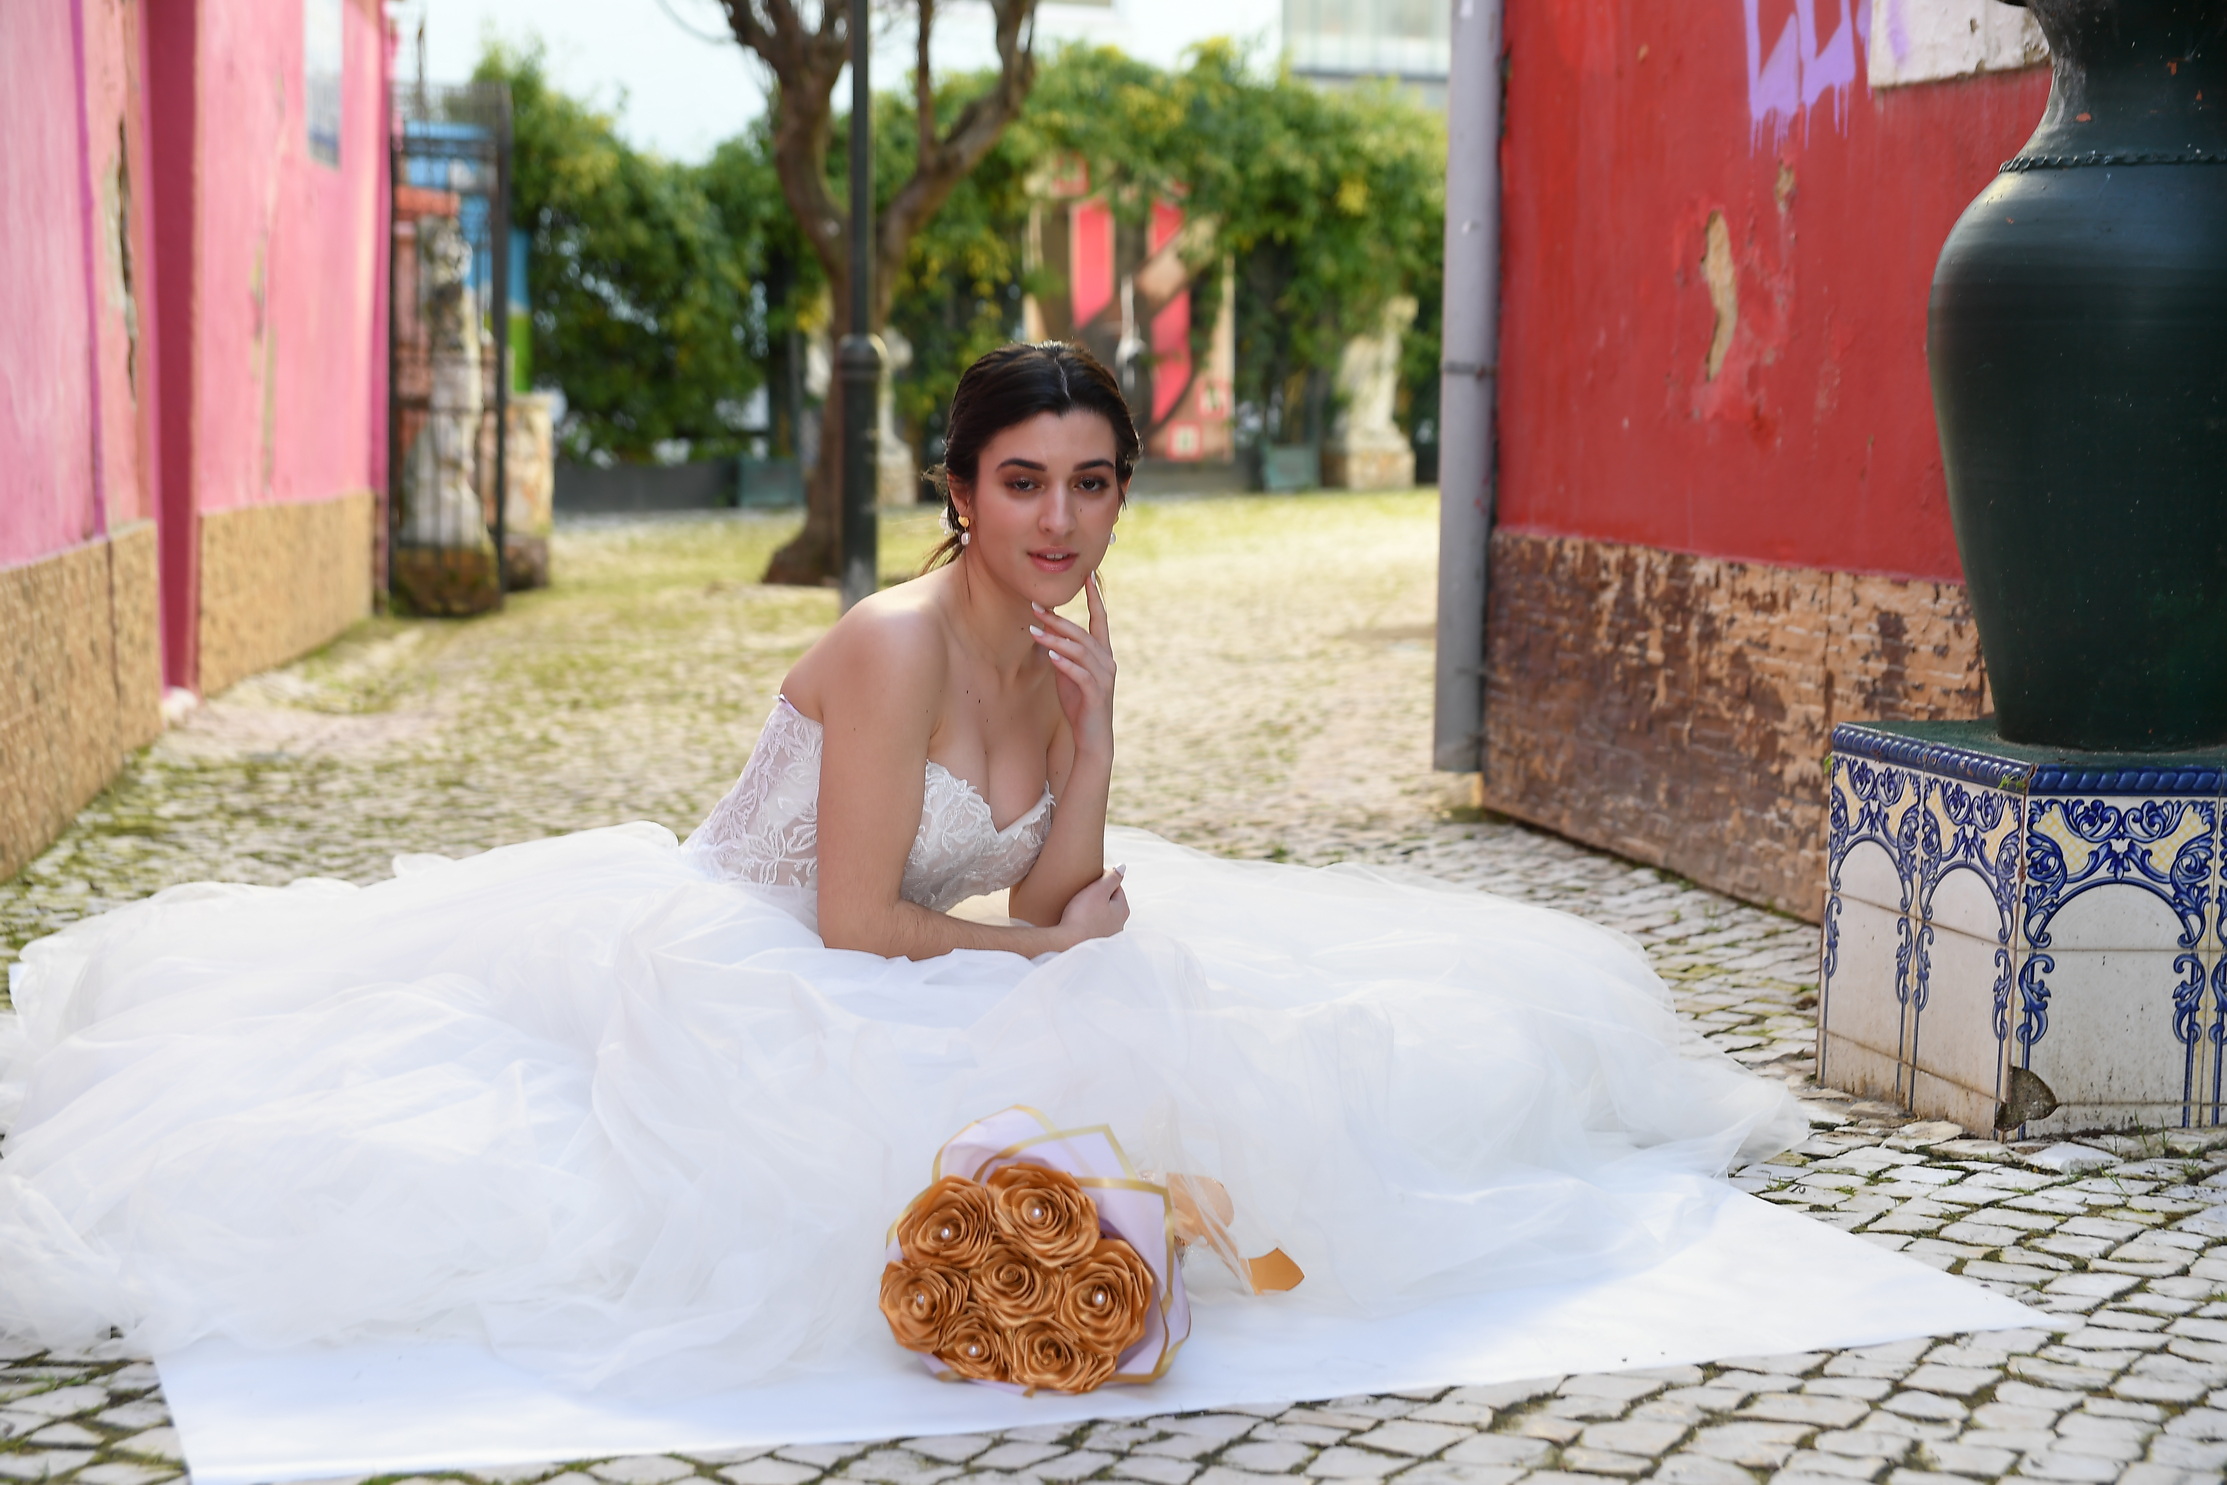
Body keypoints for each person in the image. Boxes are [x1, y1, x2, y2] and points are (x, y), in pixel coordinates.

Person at [0, 343, 1801, 1392]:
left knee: (1175, 1017)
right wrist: (1049, 958)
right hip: (750, 957)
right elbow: (860, 920)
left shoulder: (1075, 641)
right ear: (956, 487)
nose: (1060, 521)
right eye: (1022, 482)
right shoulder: (890, 645)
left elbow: (1050, 896)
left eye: (1093, 483)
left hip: (911, 953)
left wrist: (1097, 738)